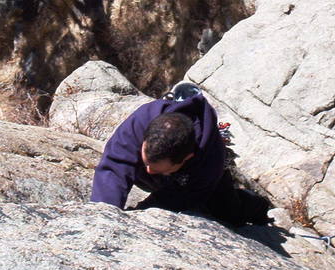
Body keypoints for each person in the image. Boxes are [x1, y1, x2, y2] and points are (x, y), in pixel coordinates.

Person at [90, 91, 270, 226]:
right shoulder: (141, 122)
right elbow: (114, 168)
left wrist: (142, 214)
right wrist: (106, 215)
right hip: (172, 172)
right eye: (146, 163)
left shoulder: (210, 158)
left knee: (228, 214)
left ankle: (254, 204)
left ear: (186, 158)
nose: (148, 171)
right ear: (145, 138)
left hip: (195, 183)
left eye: (155, 168)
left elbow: (178, 198)